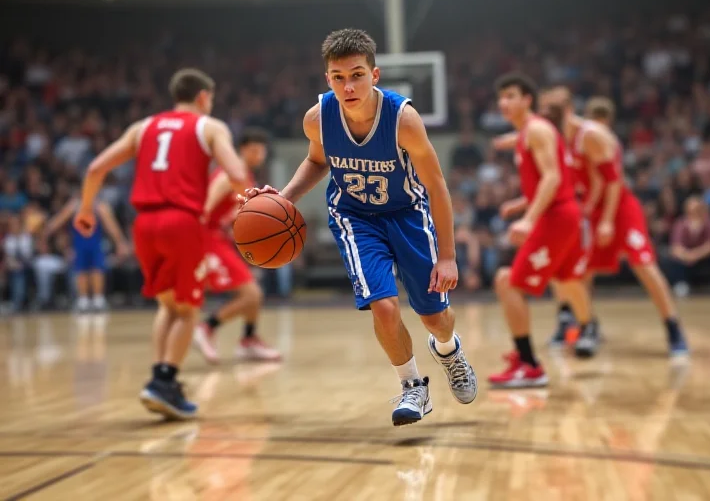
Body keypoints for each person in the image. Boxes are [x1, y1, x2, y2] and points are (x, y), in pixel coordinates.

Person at [241, 29, 476, 426]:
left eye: (356, 75)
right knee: (383, 305)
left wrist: (449, 256)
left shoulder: (404, 120)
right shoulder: (318, 118)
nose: (347, 86)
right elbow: (318, 162)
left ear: (375, 75)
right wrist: (283, 199)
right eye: (338, 77)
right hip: (355, 218)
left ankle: (449, 350)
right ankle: (412, 387)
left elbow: (437, 186)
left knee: (435, 318)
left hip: (407, 214)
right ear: (327, 79)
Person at [73, 68, 248, 420]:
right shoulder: (210, 127)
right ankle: (164, 380)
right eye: (210, 99)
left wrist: (86, 208)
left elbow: (95, 168)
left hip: (144, 225)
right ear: (203, 96)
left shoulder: (143, 127)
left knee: (167, 307)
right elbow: (237, 174)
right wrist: (249, 203)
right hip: (182, 222)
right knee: (187, 309)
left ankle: (161, 379)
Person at [552, 91, 689, 359]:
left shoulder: (592, 135)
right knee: (579, 272)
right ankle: (584, 324)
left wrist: (604, 219)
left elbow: (612, 181)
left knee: (644, 264)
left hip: (620, 208)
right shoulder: (558, 136)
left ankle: (673, 327)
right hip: (593, 209)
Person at [488, 74, 597, 390]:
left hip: (556, 218)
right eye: (501, 97)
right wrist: (521, 204)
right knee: (566, 280)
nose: (503, 103)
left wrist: (528, 219)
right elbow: (554, 178)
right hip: (564, 214)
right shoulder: (530, 132)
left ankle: (529, 364)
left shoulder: (535, 130)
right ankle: (588, 326)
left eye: (510, 95)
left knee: (506, 282)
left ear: (527, 99)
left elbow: (551, 179)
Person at [194, 128, 281, 363]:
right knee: (251, 294)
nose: (258, 155)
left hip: (220, 239)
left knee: (252, 294)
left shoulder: (246, 177)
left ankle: (249, 340)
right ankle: (206, 328)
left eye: (261, 151)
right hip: (207, 239)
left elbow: (230, 213)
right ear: (242, 150)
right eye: (254, 150)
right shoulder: (229, 174)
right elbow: (204, 208)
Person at [43, 196, 130, 312]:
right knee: (81, 270)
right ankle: (83, 299)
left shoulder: (99, 205)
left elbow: (111, 225)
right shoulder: (75, 205)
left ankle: (98, 299)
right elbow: (59, 220)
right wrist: (46, 230)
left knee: (97, 269)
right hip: (79, 245)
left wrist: (120, 242)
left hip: (95, 244)